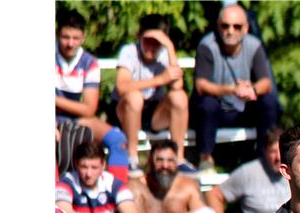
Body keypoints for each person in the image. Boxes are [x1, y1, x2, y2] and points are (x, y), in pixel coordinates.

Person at [193, 3, 280, 171]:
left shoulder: (255, 45)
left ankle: (267, 157)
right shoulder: (207, 45)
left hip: (245, 109)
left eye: (236, 26)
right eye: (225, 26)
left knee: (269, 102)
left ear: (246, 28)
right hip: (217, 111)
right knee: (206, 104)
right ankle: (205, 158)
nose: (230, 31)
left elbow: (266, 83)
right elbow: (201, 85)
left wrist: (251, 90)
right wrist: (231, 89)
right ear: (218, 26)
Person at [56, 12, 131, 183]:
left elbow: (89, 108)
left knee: (118, 140)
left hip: (78, 118)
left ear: (83, 38)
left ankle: (118, 193)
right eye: (65, 37)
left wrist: (56, 100)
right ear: (57, 35)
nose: (70, 43)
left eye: (75, 38)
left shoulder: (89, 62)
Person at [113, 14, 190, 174]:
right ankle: (132, 158)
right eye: (147, 41)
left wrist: (169, 47)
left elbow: (178, 85)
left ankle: (179, 158)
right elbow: (121, 86)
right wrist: (159, 79)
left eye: (157, 43)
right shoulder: (129, 52)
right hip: (126, 110)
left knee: (179, 97)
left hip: (154, 113)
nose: (151, 48)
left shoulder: (164, 54)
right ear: (139, 37)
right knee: (135, 97)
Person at [206, 127, 291, 213]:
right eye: (273, 151)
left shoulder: (296, 171)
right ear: (265, 151)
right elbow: (213, 195)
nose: (278, 157)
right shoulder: (249, 172)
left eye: (281, 152)